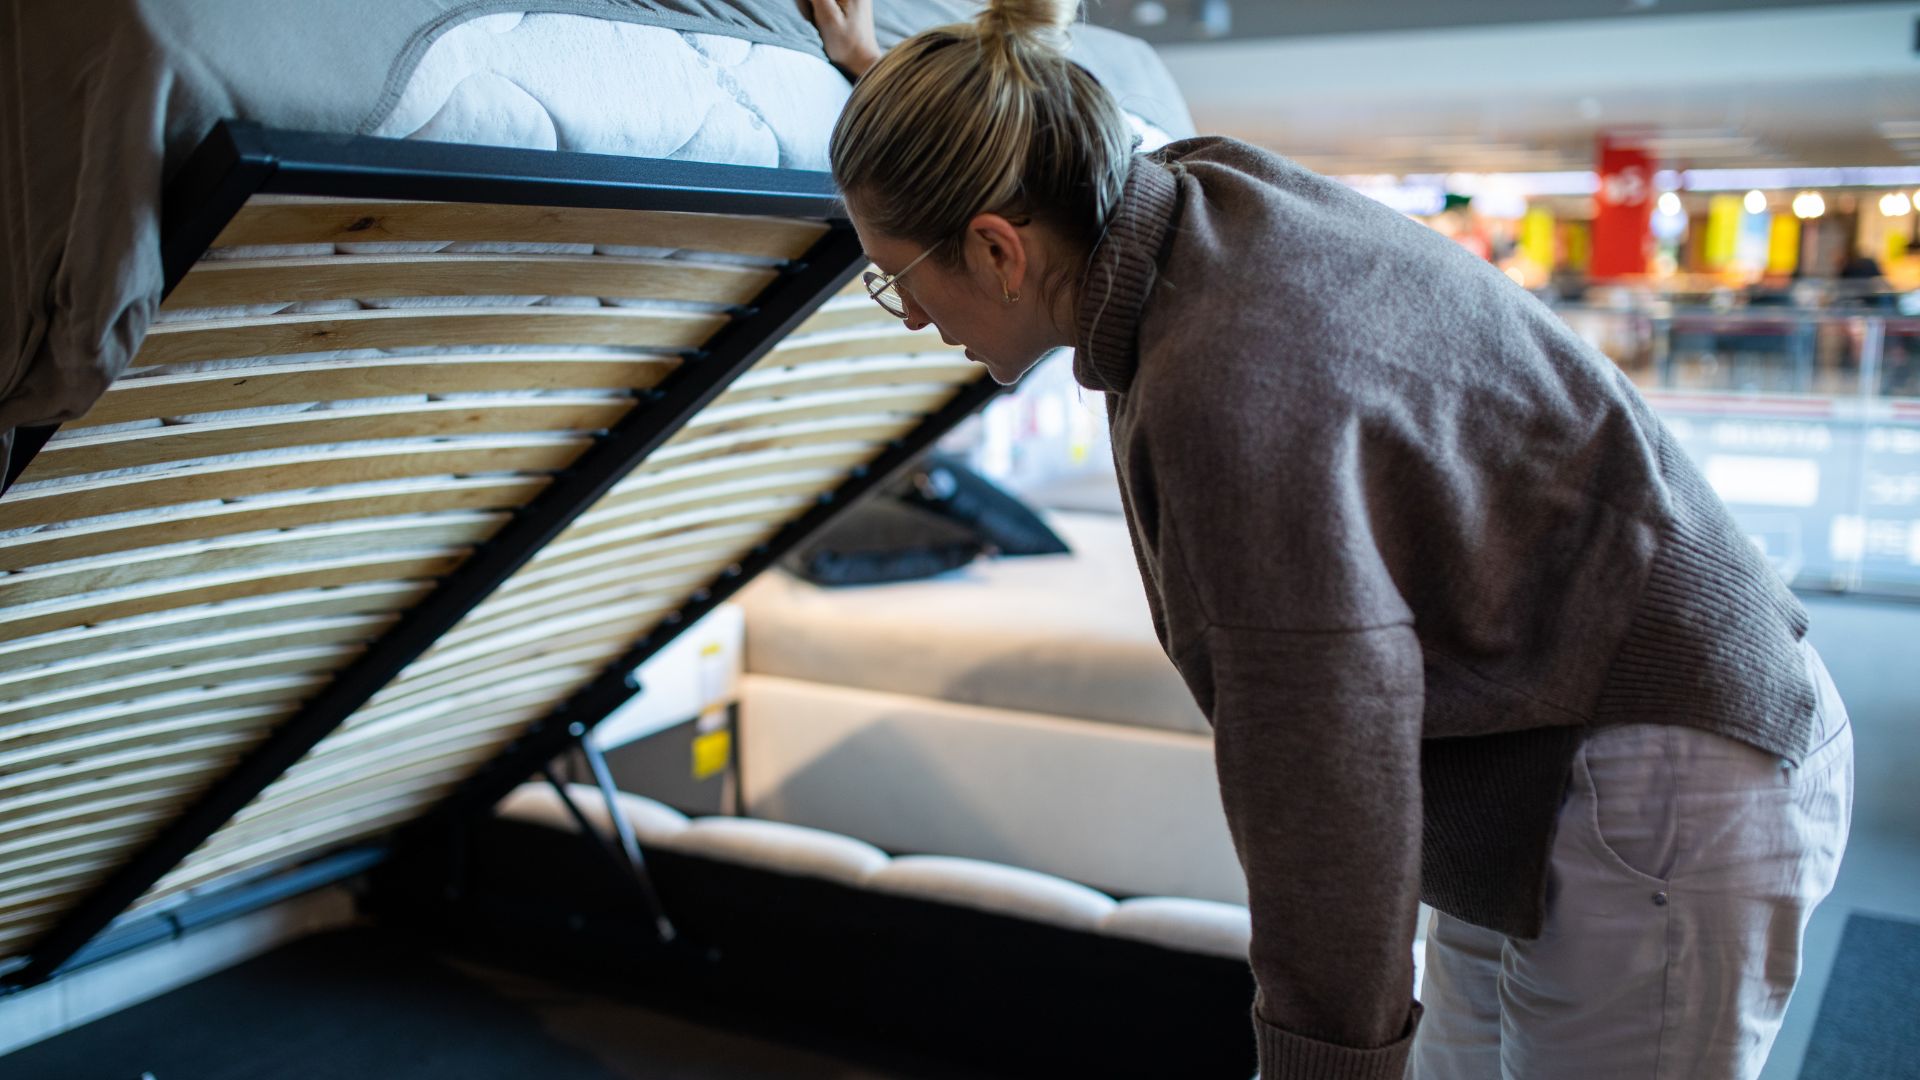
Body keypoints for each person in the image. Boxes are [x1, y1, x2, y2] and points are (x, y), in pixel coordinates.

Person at [804, 1, 1855, 1076]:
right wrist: (878, 76)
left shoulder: (1223, 383)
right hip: (1552, 749)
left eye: (895, 278)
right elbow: (1033, 137)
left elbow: (1322, 775)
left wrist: (1320, 1062)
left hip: (1661, 767)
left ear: (995, 247)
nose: (917, 318)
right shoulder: (1200, 190)